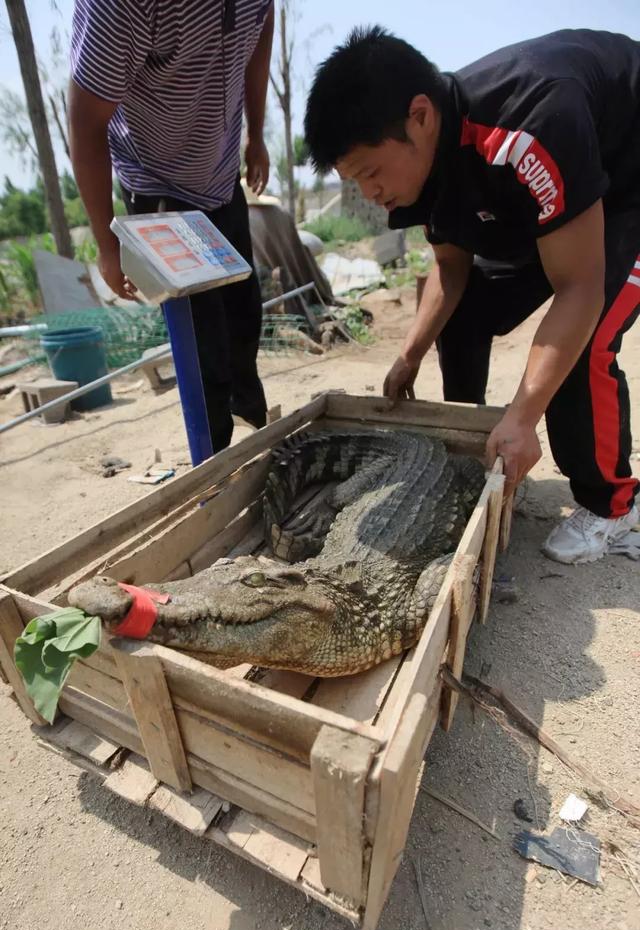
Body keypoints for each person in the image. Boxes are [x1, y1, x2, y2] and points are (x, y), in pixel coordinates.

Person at [304, 26, 640, 564]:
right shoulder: (427, 167)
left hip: (625, 185)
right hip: (549, 209)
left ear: (420, 116)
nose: (369, 194)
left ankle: (615, 507)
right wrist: (409, 353)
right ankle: (474, 453)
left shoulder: (529, 123)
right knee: (459, 316)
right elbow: (450, 271)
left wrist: (525, 413)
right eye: (354, 182)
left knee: (586, 343)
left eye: (369, 173)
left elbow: (578, 286)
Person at [68, 0, 275, 453]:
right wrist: (107, 243)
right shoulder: (121, 7)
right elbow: (86, 120)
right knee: (204, 357)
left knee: (244, 325)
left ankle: (255, 445)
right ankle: (215, 475)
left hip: (221, 178)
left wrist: (255, 133)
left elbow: (260, 24)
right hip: (160, 190)